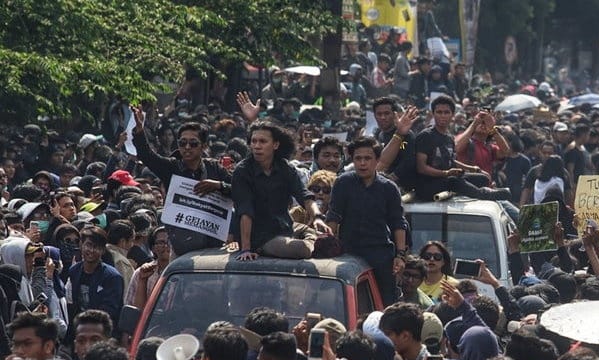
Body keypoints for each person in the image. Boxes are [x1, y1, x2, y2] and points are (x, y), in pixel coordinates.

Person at [131, 107, 232, 255]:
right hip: (181, 247)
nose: (187, 148)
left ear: (203, 146)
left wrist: (218, 185)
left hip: (213, 245)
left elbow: (238, 189)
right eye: (182, 143)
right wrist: (140, 131)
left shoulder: (215, 168)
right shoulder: (171, 167)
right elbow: (147, 156)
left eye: (193, 144)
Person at [327, 136, 408, 306]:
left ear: (377, 160)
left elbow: (398, 223)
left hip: (380, 254)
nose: (363, 163)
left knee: (386, 304)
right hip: (348, 251)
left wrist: (400, 256)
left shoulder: (388, 188)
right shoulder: (343, 183)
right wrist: (327, 246)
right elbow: (333, 217)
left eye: (367, 158)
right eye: (358, 158)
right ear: (352, 160)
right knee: (342, 301)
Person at [231, 121, 327, 261]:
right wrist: (246, 248)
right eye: (254, 141)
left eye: (263, 141)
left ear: (275, 145)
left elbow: (304, 195)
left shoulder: (285, 167)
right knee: (302, 249)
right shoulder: (242, 171)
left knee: (319, 234)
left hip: (284, 227)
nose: (257, 146)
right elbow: (245, 210)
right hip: (259, 237)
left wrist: (317, 217)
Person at [413, 95, 510, 202]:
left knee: (482, 178)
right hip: (427, 184)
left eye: (446, 112)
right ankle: (483, 195)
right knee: (454, 180)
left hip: (445, 179)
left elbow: (450, 160)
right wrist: (446, 173)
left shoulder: (448, 138)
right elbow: (421, 168)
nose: (443, 116)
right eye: (439, 112)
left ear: (452, 115)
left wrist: (471, 168)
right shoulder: (426, 136)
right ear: (433, 114)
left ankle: (479, 190)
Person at [68, 227, 123, 330]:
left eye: (97, 247)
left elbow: (110, 311)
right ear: (81, 245)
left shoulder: (112, 277)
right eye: (88, 245)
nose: (92, 251)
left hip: (102, 330)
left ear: (103, 250)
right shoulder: (74, 271)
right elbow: (73, 305)